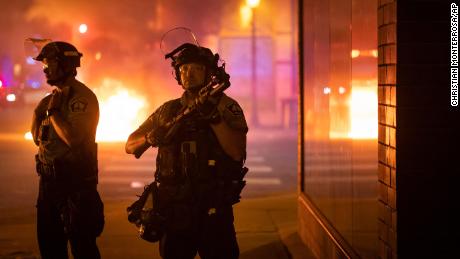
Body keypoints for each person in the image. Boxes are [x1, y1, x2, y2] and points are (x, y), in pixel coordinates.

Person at [125, 43, 248, 259]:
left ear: (209, 72)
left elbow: (237, 151)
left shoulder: (225, 106)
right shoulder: (167, 111)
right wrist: (150, 137)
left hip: (213, 208)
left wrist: (212, 116)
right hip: (175, 210)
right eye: (183, 69)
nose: (187, 74)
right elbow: (130, 145)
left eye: (195, 68)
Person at [31, 41, 104, 259]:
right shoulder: (50, 100)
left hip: (75, 186)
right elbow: (37, 138)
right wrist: (39, 111)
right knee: (50, 247)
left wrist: (53, 112)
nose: (45, 68)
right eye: (44, 63)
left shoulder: (82, 99)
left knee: (82, 247)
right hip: (48, 185)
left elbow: (73, 139)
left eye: (50, 63)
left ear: (66, 65)